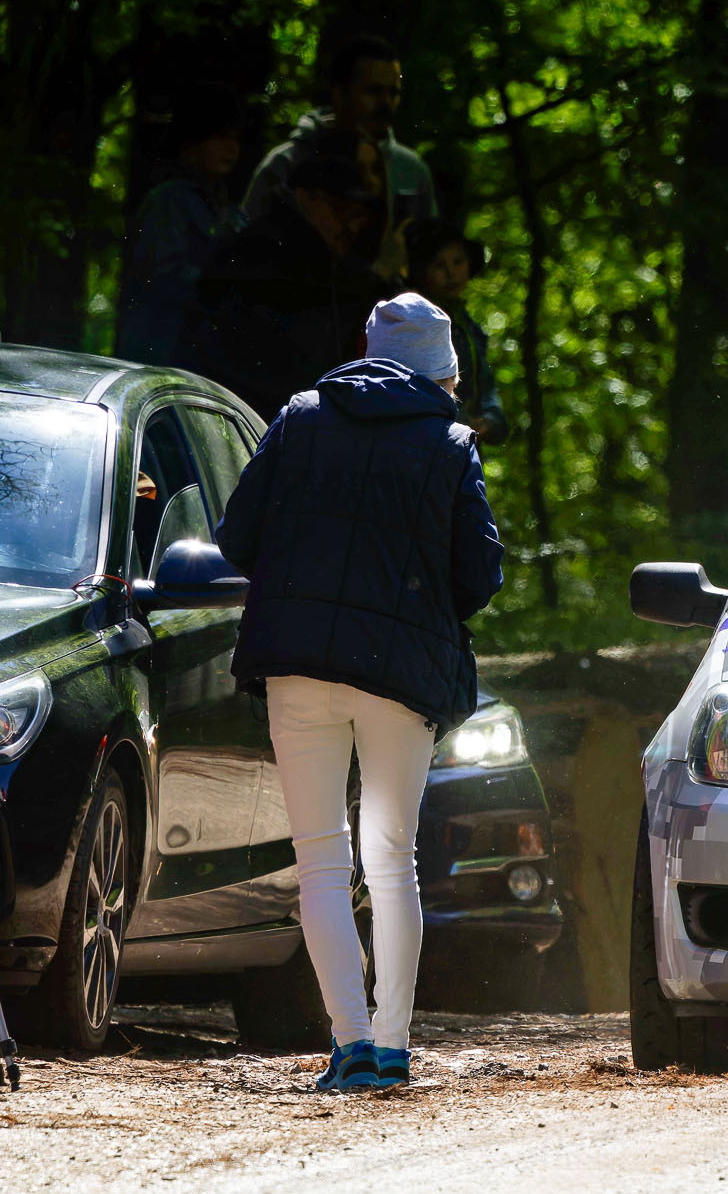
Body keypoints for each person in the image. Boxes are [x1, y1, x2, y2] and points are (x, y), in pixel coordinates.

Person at [215, 293, 504, 1092]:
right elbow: (481, 575)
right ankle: (393, 1046)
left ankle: (348, 1045)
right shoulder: (451, 445)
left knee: (320, 860)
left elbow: (237, 535)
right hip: (401, 676)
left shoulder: (299, 417)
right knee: (392, 859)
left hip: (297, 663)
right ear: (442, 375)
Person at [183, 154, 409, 420]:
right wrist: (378, 275)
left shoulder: (313, 253)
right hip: (238, 413)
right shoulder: (267, 249)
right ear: (305, 198)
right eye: (339, 209)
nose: (349, 226)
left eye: (357, 216)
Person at [244, 33, 439, 227]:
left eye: (393, 93)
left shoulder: (412, 170)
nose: (386, 103)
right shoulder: (285, 164)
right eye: (374, 91)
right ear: (340, 94)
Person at [116, 81, 249, 364]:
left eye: (236, 138)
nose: (231, 148)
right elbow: (162, 279)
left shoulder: (229, 210)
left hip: (201, 357)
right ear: (193, 141)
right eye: (220, 137)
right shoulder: (168, 201)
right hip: (161, 354)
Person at [407, 219, 509, 444]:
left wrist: (490, 422)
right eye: (438, 265)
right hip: (429, 443)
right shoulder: (414, 323)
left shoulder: (470, 329)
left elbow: (486, 389)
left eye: (458, 262)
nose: (450, 273)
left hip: (462, 444)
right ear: (422, 271)